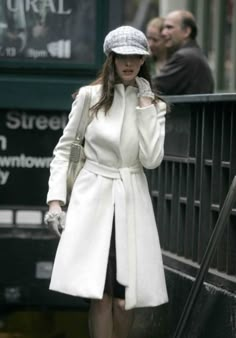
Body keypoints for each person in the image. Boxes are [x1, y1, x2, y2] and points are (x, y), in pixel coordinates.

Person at [45, 25, 168, 338]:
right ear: (111, 60)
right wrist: (56, 201)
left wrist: (144, 108)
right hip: (93, 199)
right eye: (121, 57)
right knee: (99, 296)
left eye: (135, 57)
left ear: (143, 61)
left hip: (132, 200)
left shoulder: (154, 104)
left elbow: (152, 159)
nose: (128, 63)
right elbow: (65, 149)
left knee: (126, 300)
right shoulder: (89, 97)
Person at [152, 10, 214, 95]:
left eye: (169, 27)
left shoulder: (184, 57)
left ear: (186, 31)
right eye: (163, 28)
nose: (163, 33)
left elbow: (154, 87)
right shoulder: (193, 54)